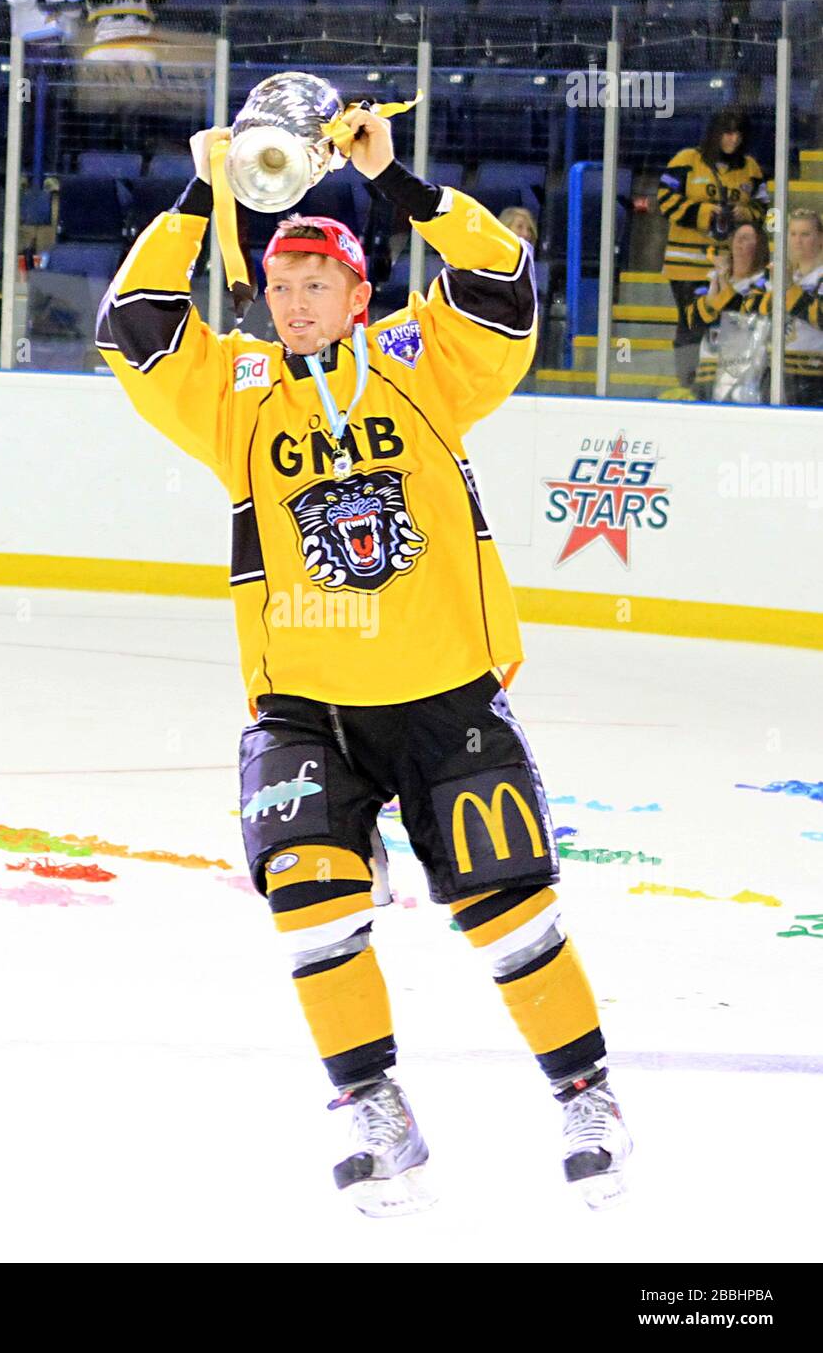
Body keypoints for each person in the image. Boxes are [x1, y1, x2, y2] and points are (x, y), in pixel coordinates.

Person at [95, 110, 633, 1217]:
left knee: (509, 912)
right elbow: (135, 328)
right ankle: (373, 1111)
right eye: (277, 285)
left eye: (314, 285)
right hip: (303, 705)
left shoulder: (420, 365)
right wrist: (203, 196)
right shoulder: (237, 393)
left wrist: (400, 184)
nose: (291, 303)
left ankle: (587, 1098)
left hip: (441, 690)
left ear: (359, 296)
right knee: (308, 907)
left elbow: (502, 283)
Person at [657, 109, 769, 390]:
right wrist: (705, 213)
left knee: (729, 326)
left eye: (738, 134)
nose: (733, 140)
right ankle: (688, 385)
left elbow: (764, 206)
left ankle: (724, 386)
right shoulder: (687, 160)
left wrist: (745, 213)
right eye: (728, 133)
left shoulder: (750, 169)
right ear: (715, 133)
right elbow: (665, 199)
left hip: (731, 265)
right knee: (693, 322)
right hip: (687, 264)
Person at [685, 218, 771, 402]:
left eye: (748, 238)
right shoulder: (710, 280)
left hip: (745, 373)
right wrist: (719, 281)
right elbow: (695, 322)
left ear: (760, 246)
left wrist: (723, 281)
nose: (740, 242)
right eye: (737, 237)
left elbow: (741, 316)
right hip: (709, 368)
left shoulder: (765, 282)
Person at [746, 209, 823, 408]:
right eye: (793, 233)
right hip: (776, 372)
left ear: (820, 238)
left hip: (816, 377)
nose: (798, 241)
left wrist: (789, 290)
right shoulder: (776, 272)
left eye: (805, 234)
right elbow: (750, 312)